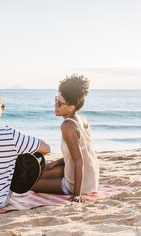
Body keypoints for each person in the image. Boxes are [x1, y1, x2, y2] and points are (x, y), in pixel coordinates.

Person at [32, 74, 99, 202]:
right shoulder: (82, 119)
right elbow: (79, 154)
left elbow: (79, 161)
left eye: (59, 103)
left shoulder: (68, 126)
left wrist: (77, 194)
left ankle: (72, 187)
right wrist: (54, 164)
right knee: (38, 173)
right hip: (91, 177)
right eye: (56, 100)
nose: (55, 104)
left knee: (31, 184)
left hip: (80, 183)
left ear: (71, 107)